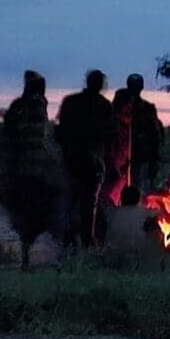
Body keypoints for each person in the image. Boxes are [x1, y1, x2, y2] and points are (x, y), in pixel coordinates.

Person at [0, 71, 64, 269]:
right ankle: (44, 256)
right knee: (42, 213)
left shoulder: (20, 106)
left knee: (26, 216)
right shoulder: (38, 105)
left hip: (22, 170)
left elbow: (9, 135)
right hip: (37, 172)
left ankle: (26, 257)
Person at [56, 69, 115, 249]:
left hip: (73, 159)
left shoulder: (71, 101)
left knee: (71, 200)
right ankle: (86, 241)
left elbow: (60, 130)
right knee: (88, 204)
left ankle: (69, 241)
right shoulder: (104, 106)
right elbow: (110, 135)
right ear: (101, 85)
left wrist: (66, 152)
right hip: (93, 162)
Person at [125, 74, 164, 195]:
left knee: (139, 187)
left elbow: (155, 134)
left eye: (136, 86)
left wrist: (154, 158)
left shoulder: (148, 108)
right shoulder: (120, 106)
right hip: (123, 156)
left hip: (141, 155)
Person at [102, 184, 159, 267]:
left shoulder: (113, 212)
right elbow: (157, 212)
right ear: (138, 198)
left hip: (112, 255)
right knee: (154, 228)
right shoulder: (143, 212)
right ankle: (154, 260)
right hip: (134, 255)